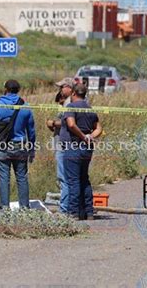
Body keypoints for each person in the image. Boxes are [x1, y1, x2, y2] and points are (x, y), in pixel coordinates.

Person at [0, 80, 36, 209]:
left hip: (2, 147)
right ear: (18, 90)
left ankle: (5, 209)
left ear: (5, 89)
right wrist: (32, 148)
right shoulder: (25, 107)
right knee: (22, 178)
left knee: (4, 179)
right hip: (20, 146)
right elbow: (31, 131)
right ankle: (24, 208)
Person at [60, 83, 102, 220]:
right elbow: (99, 129)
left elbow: (71, 124)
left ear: (73, 94)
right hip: (87, 149)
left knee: (73, 181)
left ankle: (74, 213)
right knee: (84, 179)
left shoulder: (71, 107)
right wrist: (90, 136)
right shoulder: (90, 109)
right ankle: (88, 212)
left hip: (74, 146)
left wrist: (83, 136)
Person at [46, 78, 73, 213]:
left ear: (69, 88)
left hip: (64, 144)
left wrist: (53, 123)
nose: (60, 90)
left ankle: (65, 209)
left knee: (64, 177)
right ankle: (71, 206)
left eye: (62, 87)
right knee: (68, 177)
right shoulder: (65, 103)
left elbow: (69, 123)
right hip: (62, 142)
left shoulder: (70, 104)